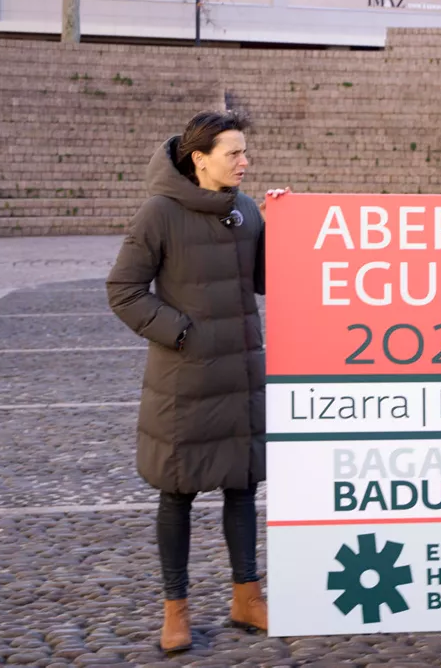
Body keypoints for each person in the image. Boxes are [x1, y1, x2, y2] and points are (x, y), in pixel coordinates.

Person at [107, 110, 268, 654]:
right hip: (185, 379)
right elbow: (124, 290)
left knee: (242, 488)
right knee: (177, 495)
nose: (245, 162)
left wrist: (286, 220)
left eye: (245, 152)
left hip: (240, 377)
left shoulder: (247, 211)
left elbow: (270, 277)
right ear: (200, 159)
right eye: (234, 153)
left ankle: (247, 597)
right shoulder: (159, 213)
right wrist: (181, 333)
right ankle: (175, 609)